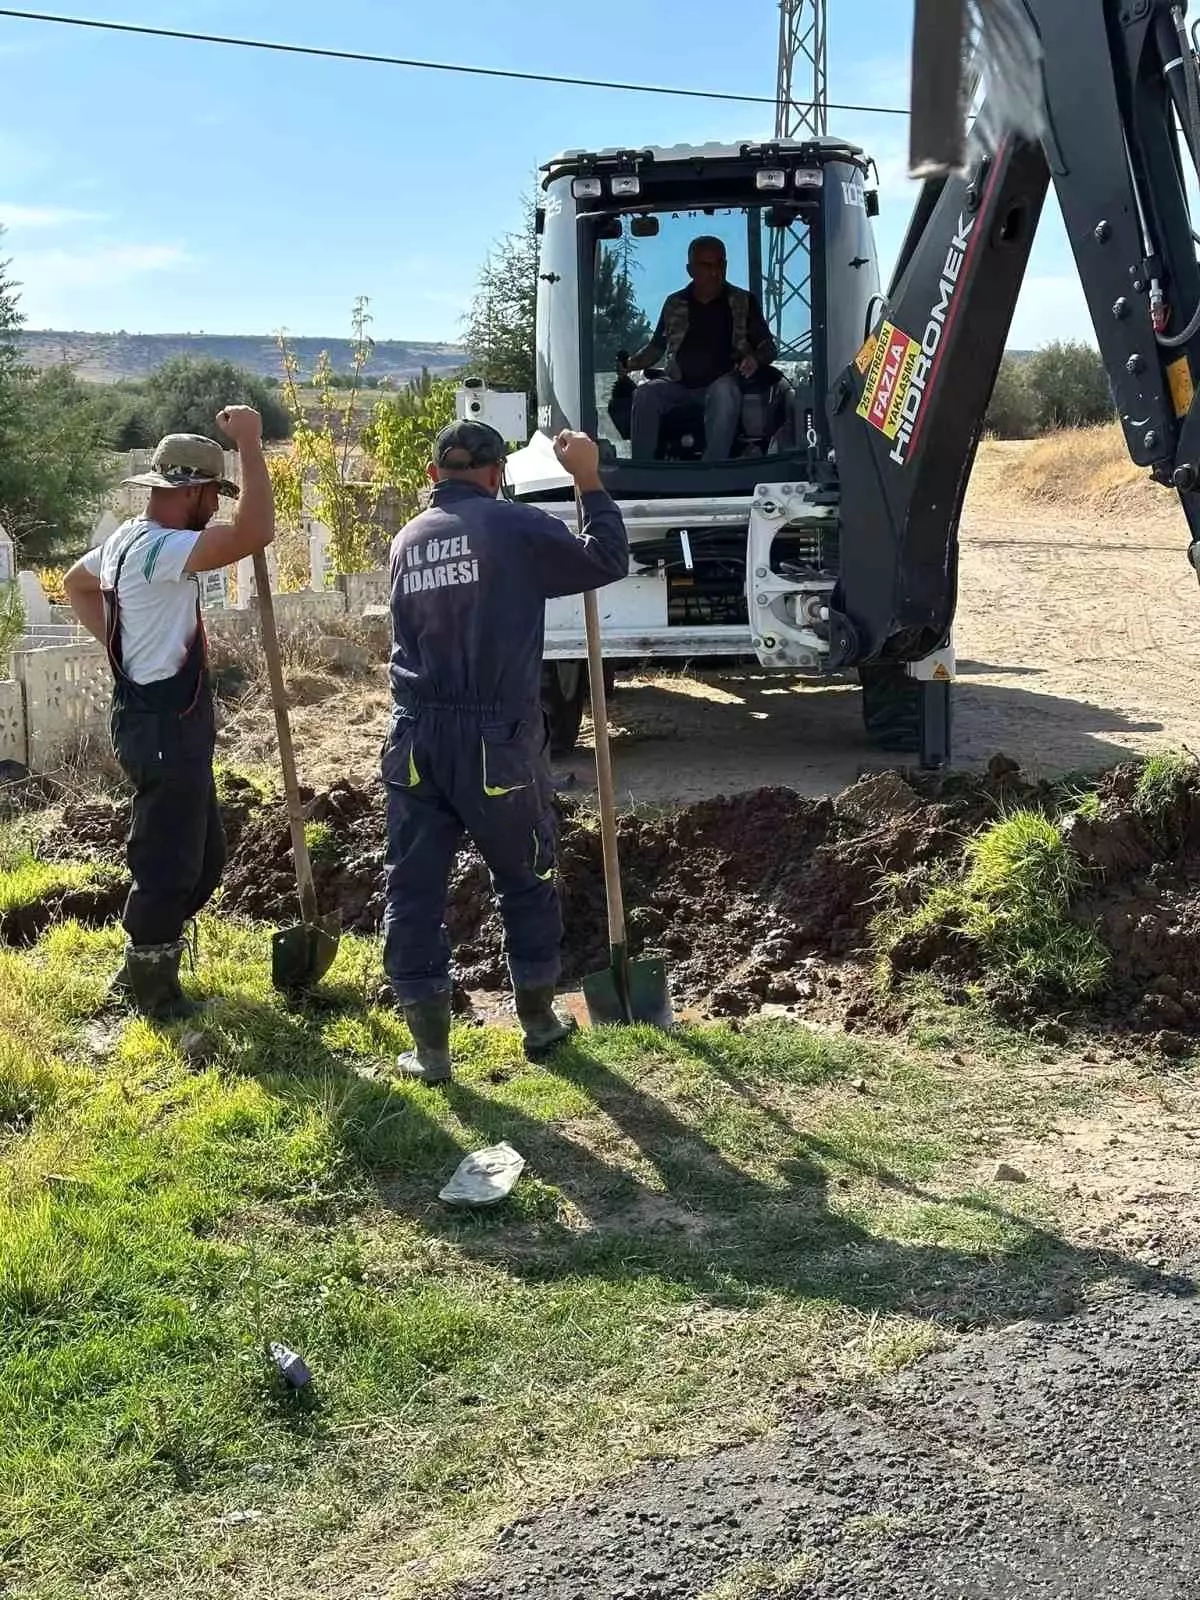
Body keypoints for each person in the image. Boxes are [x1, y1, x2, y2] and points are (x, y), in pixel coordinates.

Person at [383, 419, 629, 1085]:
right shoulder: (513, 525)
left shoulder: (407, 539)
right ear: (497, 475)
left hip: (413, 738)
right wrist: (587, 478)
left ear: (434, 476)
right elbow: (606, 559)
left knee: (414, 887)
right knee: (525, 874)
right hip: (496, 739)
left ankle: (431, 1053)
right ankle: (540, 1023)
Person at [63, 409, 275, 1021]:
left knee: (204, 854)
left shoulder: (129, 537)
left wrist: (120, 647)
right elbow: (255, 531)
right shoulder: (161, 547)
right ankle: (149, 986)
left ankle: (147, 957)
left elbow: (78, 583)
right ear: (192, 492)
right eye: (214, 494)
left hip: (156, 716)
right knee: (167, 857)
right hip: (162, 726)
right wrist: (251, 444)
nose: (216, 506)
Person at [622, 235, 777, 462]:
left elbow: (768, 347)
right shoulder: (675, 303)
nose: (714, 272)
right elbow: (656, 347)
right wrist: (630, 364)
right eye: (706, 265)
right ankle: (642, 469)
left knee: (724, 391)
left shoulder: (743, 301)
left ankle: (713, 468)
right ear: (690, 269)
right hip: (678, 384)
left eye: (719, 264)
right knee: (646, 394)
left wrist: (755, 358)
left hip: (724, 383)